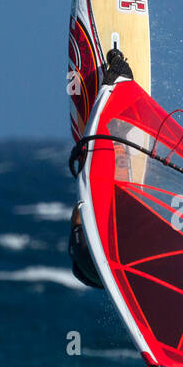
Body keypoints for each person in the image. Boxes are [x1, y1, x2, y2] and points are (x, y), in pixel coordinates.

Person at [68, 47, 134, 290]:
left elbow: (78, 214)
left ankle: (115, 86)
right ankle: (117, 87)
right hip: (108, 263)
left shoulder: (87, 254)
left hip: (99, 263)